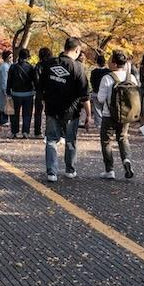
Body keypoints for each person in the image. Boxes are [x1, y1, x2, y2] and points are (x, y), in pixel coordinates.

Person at [41, 36, 90, 182]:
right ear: (77, 50)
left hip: (52, 108)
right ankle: (70, 169)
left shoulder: (49, 64)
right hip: (71, 111)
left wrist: (45, 103)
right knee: (70, 140)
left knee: (51, 140)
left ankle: (51, 172)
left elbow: (41, 86)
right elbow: (84, 95)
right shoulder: (78, 67)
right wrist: (88, 115)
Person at [96, 50, 137, 180]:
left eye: (110, 59)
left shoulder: (107, 78)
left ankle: (110, 170)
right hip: (126, 115)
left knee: (106, 141)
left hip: (109, 115)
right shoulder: (131, 78)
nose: (108, 61)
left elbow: (101, 99)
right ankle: (126, 160)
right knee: (123, 138)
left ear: (114, 63)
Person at [7, 48, 35, 139]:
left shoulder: (13, 67)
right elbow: (34, 81)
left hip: (15, 94)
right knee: (27, 114)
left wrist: (8, 92)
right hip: (28, 94)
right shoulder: (30, 67)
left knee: (14, 114)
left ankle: (14, 132)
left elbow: (9, 80)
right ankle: (25, 132)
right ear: (27, 57)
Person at [31, 47, 52, 138]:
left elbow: (36, 80)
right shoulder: (51, 65)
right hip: (49, 92)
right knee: (49, 113)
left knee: (38, 113)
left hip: (39, 92)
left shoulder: (38, 66)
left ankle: (37, 132)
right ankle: (49, 131)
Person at [89, 53, 110, 129]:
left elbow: (91, 81)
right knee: (106, 109)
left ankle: (98, 124)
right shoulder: (108, 71)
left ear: (97, 62)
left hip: (96, 92)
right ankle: (106, 124)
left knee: (97, 109)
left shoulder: (93, 72)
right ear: (104, 62)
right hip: (106, 93)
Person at [0, 49, 12, 126]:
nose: (11, 58)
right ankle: (3, 120)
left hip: (7, 87)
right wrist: (5, 90)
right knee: (4, 105)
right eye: (10, 57)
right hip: (4, 88)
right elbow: (4, 80)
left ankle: (4, 120)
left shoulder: (8, 65)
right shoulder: (4, 67)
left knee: (6, 104)